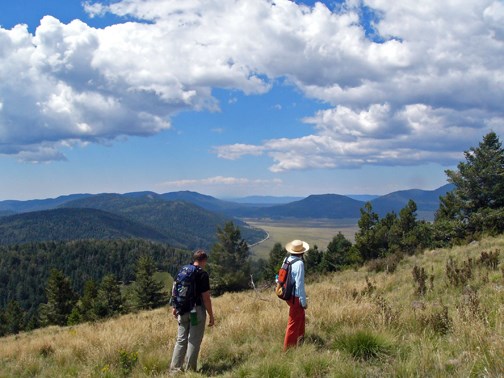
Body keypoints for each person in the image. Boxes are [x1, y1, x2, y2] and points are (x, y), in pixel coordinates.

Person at [170, 250, 215, 372]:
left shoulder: (183, 270)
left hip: (182, 310)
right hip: (196, 310)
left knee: (181, 340)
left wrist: (175, 307)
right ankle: (190, 370)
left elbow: (175, 289)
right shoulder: (202, 274)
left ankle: (175, 370)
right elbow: (206, 298)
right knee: (193, 340)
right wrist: (211, 315)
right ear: (204, 260)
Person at [283, 239, 309, 351]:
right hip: (296, 297)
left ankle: (300, 339)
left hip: (288, 295)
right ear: (302, 252)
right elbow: (300, 285)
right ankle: (288, 349)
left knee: (301, 317)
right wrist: (303, 301)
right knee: (293, 322)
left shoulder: (287, 259)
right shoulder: (299, 263)